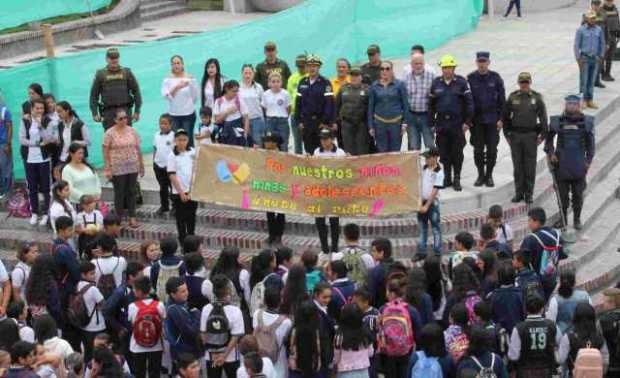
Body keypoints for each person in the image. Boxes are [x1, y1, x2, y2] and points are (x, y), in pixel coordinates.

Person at [546, 94, 595, 230]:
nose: (571, 106)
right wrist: (551, 153)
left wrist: (588, 161)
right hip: (561, 165)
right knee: (562, 197)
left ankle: (577, 219)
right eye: (569, 104)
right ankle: (563, 220)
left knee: (578, 196)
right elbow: (548, 140)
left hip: (579, 165)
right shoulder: (557, 121)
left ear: (579, 106)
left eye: (574, 104)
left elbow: (591, 145)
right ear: (565, 105)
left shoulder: (586, 122)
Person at [429, 55, 474, 192]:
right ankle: (447, 177)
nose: (447, 70)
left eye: (449, 67)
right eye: (444, 68)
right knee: (444, 152)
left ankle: (457, 178)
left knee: (457, 152)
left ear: (454, 68)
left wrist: (467, 122)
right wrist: (432, 124)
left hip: (457, 123)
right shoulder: (436, 83)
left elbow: (469, 103)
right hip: (441, 123)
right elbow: (431, 105)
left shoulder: (461, 83)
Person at [502, 72, 548, 204]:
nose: (524, 85)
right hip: (516, 136)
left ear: (530, 83)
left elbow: (543, 118)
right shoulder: (512, 97)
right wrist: (507, 134)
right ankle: (519, 193)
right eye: (522, 82)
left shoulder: (537, 98)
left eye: (526, 82)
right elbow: (505, 117)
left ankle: (529, 194)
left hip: (530, 137)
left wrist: (542, 136)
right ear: (518, 83)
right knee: (518, 166)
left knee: (530, 166)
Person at [466, 52, 505, 187]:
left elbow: (502, 100)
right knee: (477, 150)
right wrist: (467, 120)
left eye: (484, 61)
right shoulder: (470, 78)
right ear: (476, 62)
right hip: (476, 122)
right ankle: (480, 175)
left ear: (488, 62)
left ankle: (489, 175)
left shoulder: (496, 78)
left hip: (492, 121)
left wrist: (501, 119)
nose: (482, 64)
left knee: (492, 150)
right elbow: (466, 100)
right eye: (479, 62)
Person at [102, 109, 144, 228]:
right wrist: (108, 168)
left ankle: (132, 217)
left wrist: (141, 165)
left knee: (131, 192)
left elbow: (138, 148)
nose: (124, 120)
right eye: (121, 118)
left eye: (125, 117)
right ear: (115, 120)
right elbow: (105, 152)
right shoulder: (109, 133)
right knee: (119, 193)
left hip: (132, 166)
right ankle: (118, 219)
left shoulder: (132, 131)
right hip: (117, 167)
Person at [19, 98, 56, 227]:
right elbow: (22, 139)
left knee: (46, 187)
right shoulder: (25, 121)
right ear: (32, 109)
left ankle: (46, 213)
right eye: (37, 108)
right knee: (32, 187)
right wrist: (36, 144)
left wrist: (41, 126)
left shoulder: (48, 121)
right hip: (29, 159)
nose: (40, 111)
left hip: (44, 159)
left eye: (42, 108)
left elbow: (49, 138)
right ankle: (34, 212)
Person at [201, 274, 246, 378]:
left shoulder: (206, 309)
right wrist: (224, 356)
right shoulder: (235, 311)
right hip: (231, 356)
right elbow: (235, 337)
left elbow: (203, 334)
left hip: (212, 356)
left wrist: (212, 351)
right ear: (228, 291)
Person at [520, 207, 566, 300]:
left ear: (536, 222)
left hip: (536, 281)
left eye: (529, 220)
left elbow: (522, 260)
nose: (528, 224)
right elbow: (561, 254)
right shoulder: (556, 234)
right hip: (552, 277)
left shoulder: (530, 239)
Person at [89, 48, 142, 129]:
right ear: (106, 59)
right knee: (110, 138)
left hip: (125, 110)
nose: (114, 60)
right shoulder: (100, 74)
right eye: (112, 58)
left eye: (116, 58)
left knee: (127, 137)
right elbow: (94, 95)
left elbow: (136, 91)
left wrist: (137, 111)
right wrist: (94, 112)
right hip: (108, 112)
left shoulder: (127, 72)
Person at [380, 278, 422, 378]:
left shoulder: (383, 309)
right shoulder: (411, 310)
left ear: (392, 293)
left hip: (388, 354)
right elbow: (418, 334)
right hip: (406, 352)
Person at [508, 293, 558, 377]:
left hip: (525, 372)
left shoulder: (518, 328)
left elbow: (514, 356)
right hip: (546, 371)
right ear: (542, 309)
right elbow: (558, 348)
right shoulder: (551, 325)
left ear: (526, 310)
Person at [295, 54, 336, 155]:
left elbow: (329, 104)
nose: (312, 68)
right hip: (306, 123)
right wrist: (299, 121)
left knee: (322, 151)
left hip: (320, 123)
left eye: (315, 66)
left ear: (319, 67)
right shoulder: (302, 82)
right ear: (306, 67)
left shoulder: (325, 83)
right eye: (309, 66)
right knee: (309, 150)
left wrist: (325, 122)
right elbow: (298, 103)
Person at [313, 129, 345, 254]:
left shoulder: (340, 153)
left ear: (332, 139)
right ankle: (324, 249)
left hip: (334, 191)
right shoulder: (316, 152)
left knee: (334, 222)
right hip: (320, 191)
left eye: (326, 139)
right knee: (320, 221)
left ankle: (335, 248)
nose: (323, 142)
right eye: (321, 139)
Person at [102, 261, 143, 354]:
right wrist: (119, 328)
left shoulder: (138, 289)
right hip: (125, 334)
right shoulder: (120, 292)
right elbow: (106, 311)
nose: (142, 278)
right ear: (131, 277)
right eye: (140, 276)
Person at [128, 276, 165, 378]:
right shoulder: (160, 305)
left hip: (137, 346)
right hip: (156, 344)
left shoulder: (132, 306)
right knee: (155, 372)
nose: (133, 291)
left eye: (134, 289)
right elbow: (162, 321)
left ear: (139, 291)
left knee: (139, 373)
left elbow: (132, 324)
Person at [368, 60, 409, 152]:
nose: (384, 71)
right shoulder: (374, 86)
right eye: (382, 69)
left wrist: (405, 123)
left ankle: (394, 167)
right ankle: (384, 167)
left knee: (395, 151)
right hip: (379, 124)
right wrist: (370, 126)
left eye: (387, 69)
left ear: (392, 70)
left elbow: (405, 105)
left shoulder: (400, 85)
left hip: (396, 124)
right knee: (382, 151)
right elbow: (370, 107)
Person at [558, 302, 609, 373]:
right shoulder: (599, 338)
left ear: (575, 317)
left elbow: (560, 359)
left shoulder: (568, 337)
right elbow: (605, 361)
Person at [168, 129, 197, 245]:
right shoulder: (172, 155)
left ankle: (192, 244)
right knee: (181, 221)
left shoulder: (192, 152)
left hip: (191, 192)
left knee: (191, 219)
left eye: (184, 140)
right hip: (178, 193)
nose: (182, 142)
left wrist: (190, 191)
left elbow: (195, 170)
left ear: (188, 140)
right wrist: (181, 193)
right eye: (179, 140)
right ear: (175, 141)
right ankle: (183, 245)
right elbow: (172, 175)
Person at [162, 55, 199, 146]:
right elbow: (167, 96)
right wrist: (178, 87)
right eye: (173, 63)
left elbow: (195, 95)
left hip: (188, 114)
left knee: (188, 140)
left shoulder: (190, 78)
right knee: (177, 142)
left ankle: (190, 159)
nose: (176, 65)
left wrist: (188, 105)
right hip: (174, 115)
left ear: (182, 65)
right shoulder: (167, 79)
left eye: (178, 63)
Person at [403, 52, 436, 151]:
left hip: (426, 116)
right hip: (411, 117)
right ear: (411, 64)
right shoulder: (406, 77)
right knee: (413, 147)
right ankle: (416, 167)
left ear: (424, 63)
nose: (418, 66)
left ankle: (433, 166)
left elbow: (436, 97)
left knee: (430, 146)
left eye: (420, 63)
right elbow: (404, 98)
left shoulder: (431, 76)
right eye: (415, 63)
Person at [335, 65, 370, 155]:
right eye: (352, 75)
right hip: (346, 125)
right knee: (348, 151)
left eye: (356, 75)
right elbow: (336, 106)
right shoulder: (343, 88)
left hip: (362, 125)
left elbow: (371, 108)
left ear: (361, 77)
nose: (354, 77)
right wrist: (336, 121)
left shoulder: (367, 89)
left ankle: (362, 169)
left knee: (362, 150)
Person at [164, 277, 202, 360]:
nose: (187, 293)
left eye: (186, 290)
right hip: (184, 352)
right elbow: (191, 331)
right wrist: (197, 314)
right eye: (183, 291)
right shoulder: (174, 309)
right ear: (173, 294)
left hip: (185, 349)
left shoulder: (181, 303)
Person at [546, 269, 592, 335]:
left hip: (563, 337)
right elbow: (591, 315)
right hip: (583, 335)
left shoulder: (555, 299)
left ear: (560, 282)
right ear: (574, 282)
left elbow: (550, 323)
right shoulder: (585, 295)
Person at [417, 147, 444, 259]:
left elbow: (435, 190)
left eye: (428, 157)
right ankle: (421, 252)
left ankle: (437, 252)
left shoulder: (439, 172)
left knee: (435, 228)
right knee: (422, 228)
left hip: (432, 203)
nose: (426, 160)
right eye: (425, 158)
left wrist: (427, 205)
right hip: (421, 201)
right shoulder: (424, 168)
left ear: (435, 157)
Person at [76, 261, 106, 362]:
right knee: (99, 355)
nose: (94, 275)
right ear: (83, 274)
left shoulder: (78, 285)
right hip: (97, 326)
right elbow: (104, 305)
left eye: (94, 272)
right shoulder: (93, 289)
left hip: (83, 325)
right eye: (91, 273)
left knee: (88, 354)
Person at [576, 11, 606, 110]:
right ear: (587, 19)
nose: (593, 20)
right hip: (584, 58)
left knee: (592, 81)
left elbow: (602, 43)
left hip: (595, 58)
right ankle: (583, 100)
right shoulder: (581, 30)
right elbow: (576, 45)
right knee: (584, 80)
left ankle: (590, 100)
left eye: (594, 18)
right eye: (591, 18)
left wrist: (601, 56)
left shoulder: (599, 29)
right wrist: (578, 58)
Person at [333, 303, 373, 378]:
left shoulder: (340, 335)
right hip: (364, 371)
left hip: (345, 372)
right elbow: (371, 353)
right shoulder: (366, 333)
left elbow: (336, 357)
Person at [261, 131, 286, 245]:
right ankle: (271, 235)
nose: (266, 143)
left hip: (280, 187)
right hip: (268, 186)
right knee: (269, 213)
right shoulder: (262, 154)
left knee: (281, 212)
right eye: (265, 141)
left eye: (268, 141)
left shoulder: (283, 156)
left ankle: (279, 235)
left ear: (275, 143)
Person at [486, 262, 525, 335]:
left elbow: (492, 317)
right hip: (519, 332)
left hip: (501, 334)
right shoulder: (520, 294)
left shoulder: (493, 296)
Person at [287, 300, 322, 378]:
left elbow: (289, 347)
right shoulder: (318, 331)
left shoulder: (294, 330)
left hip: (296, 368)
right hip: (314, 368)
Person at [213, 80, 251, 146]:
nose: (236, 93)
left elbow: (246, 118)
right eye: (234, 91)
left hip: (238, 130)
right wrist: (227, 112)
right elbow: (217, 121)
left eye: (237, 91)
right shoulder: (218, 101)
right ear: (226, 89)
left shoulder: (239, 100)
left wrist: (245, 135)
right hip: (224, 132)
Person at [262, 72, 291, 151]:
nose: (275, 84)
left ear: (281, 83)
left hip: (282, 122)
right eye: (273, 81)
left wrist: (282, 116)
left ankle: (284, 163)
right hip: (270, 121)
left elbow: (288, 108)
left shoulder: (286, 94)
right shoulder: (265, 94)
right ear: (269, 83)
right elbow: (264, 108)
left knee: (283, 145)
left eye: (278, 81)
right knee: (269, 144)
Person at [150, 236, 185, 302]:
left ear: (161, 249)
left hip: (161, 297)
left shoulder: (156, 265)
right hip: (177, 296)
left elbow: (153, 282)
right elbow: (184, 280)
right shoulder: (181, 264)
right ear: (176, 249)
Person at [152, 113, 174, 216]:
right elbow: (155, 148)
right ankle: (164, 206)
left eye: (165, 124)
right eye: (161, 123)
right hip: (158, 165)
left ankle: (175, 206)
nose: (162, 126)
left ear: (170, 125)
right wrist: (154, 161)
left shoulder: (174, 136)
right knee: (162, 187)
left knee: (173, 187)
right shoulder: (156, 135)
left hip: (170, 167)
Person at [56, 101, 91, 166]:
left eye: (60, 111)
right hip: (63, 158)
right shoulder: (60, 125)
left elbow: (88, 142)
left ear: (67, 111)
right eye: (57, 112)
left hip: (77, 158)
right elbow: (60, 141)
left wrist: (75, 142)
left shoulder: (79, 124)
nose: (58, 114)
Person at [240, 64, 267, 147]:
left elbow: (264, 104)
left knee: (258, 144)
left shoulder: (258, 87)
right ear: (242, 74)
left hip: (257, 120)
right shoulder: (238, 88)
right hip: (243, 120)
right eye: (245, 73)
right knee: (246, 144)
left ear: (253, 74)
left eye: (250, 73)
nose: (247, 75)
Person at [366, 238, 394, 308]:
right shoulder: (400, 267)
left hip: (381, 310)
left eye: (374, 251)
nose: (372, 254)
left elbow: (371, 296)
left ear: (381, 253)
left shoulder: (375, 271)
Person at [603, 0, 620, 81]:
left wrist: (618, 33)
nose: (610, 2)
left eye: (611, 1)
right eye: (608, 1)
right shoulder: (601, 10)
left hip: (613, 35)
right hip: (604, 36)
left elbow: (618, 21)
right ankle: (602, 73)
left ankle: (607, 73)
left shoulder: (615, 9)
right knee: (603, 56)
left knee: (610, 56)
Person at [0, 100, 12, 198]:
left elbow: (9, 127)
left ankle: (8, 193)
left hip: (3, 145)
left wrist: (8, 144)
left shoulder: (4, 111)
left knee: (6, 170)